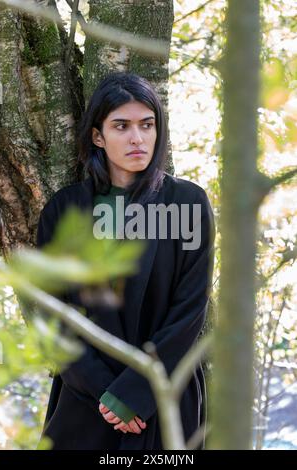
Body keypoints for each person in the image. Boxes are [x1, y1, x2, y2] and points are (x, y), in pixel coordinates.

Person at [37, 71, 215, 450]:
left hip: (166, 394)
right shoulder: (65, 210)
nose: (137, 138)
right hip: (86, 398)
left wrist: (138, 392)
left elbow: (190, 310)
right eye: (122, 126)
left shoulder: (187, 202)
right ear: (98, 136)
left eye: (147, 125)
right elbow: (52, 315)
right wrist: (107, 392)